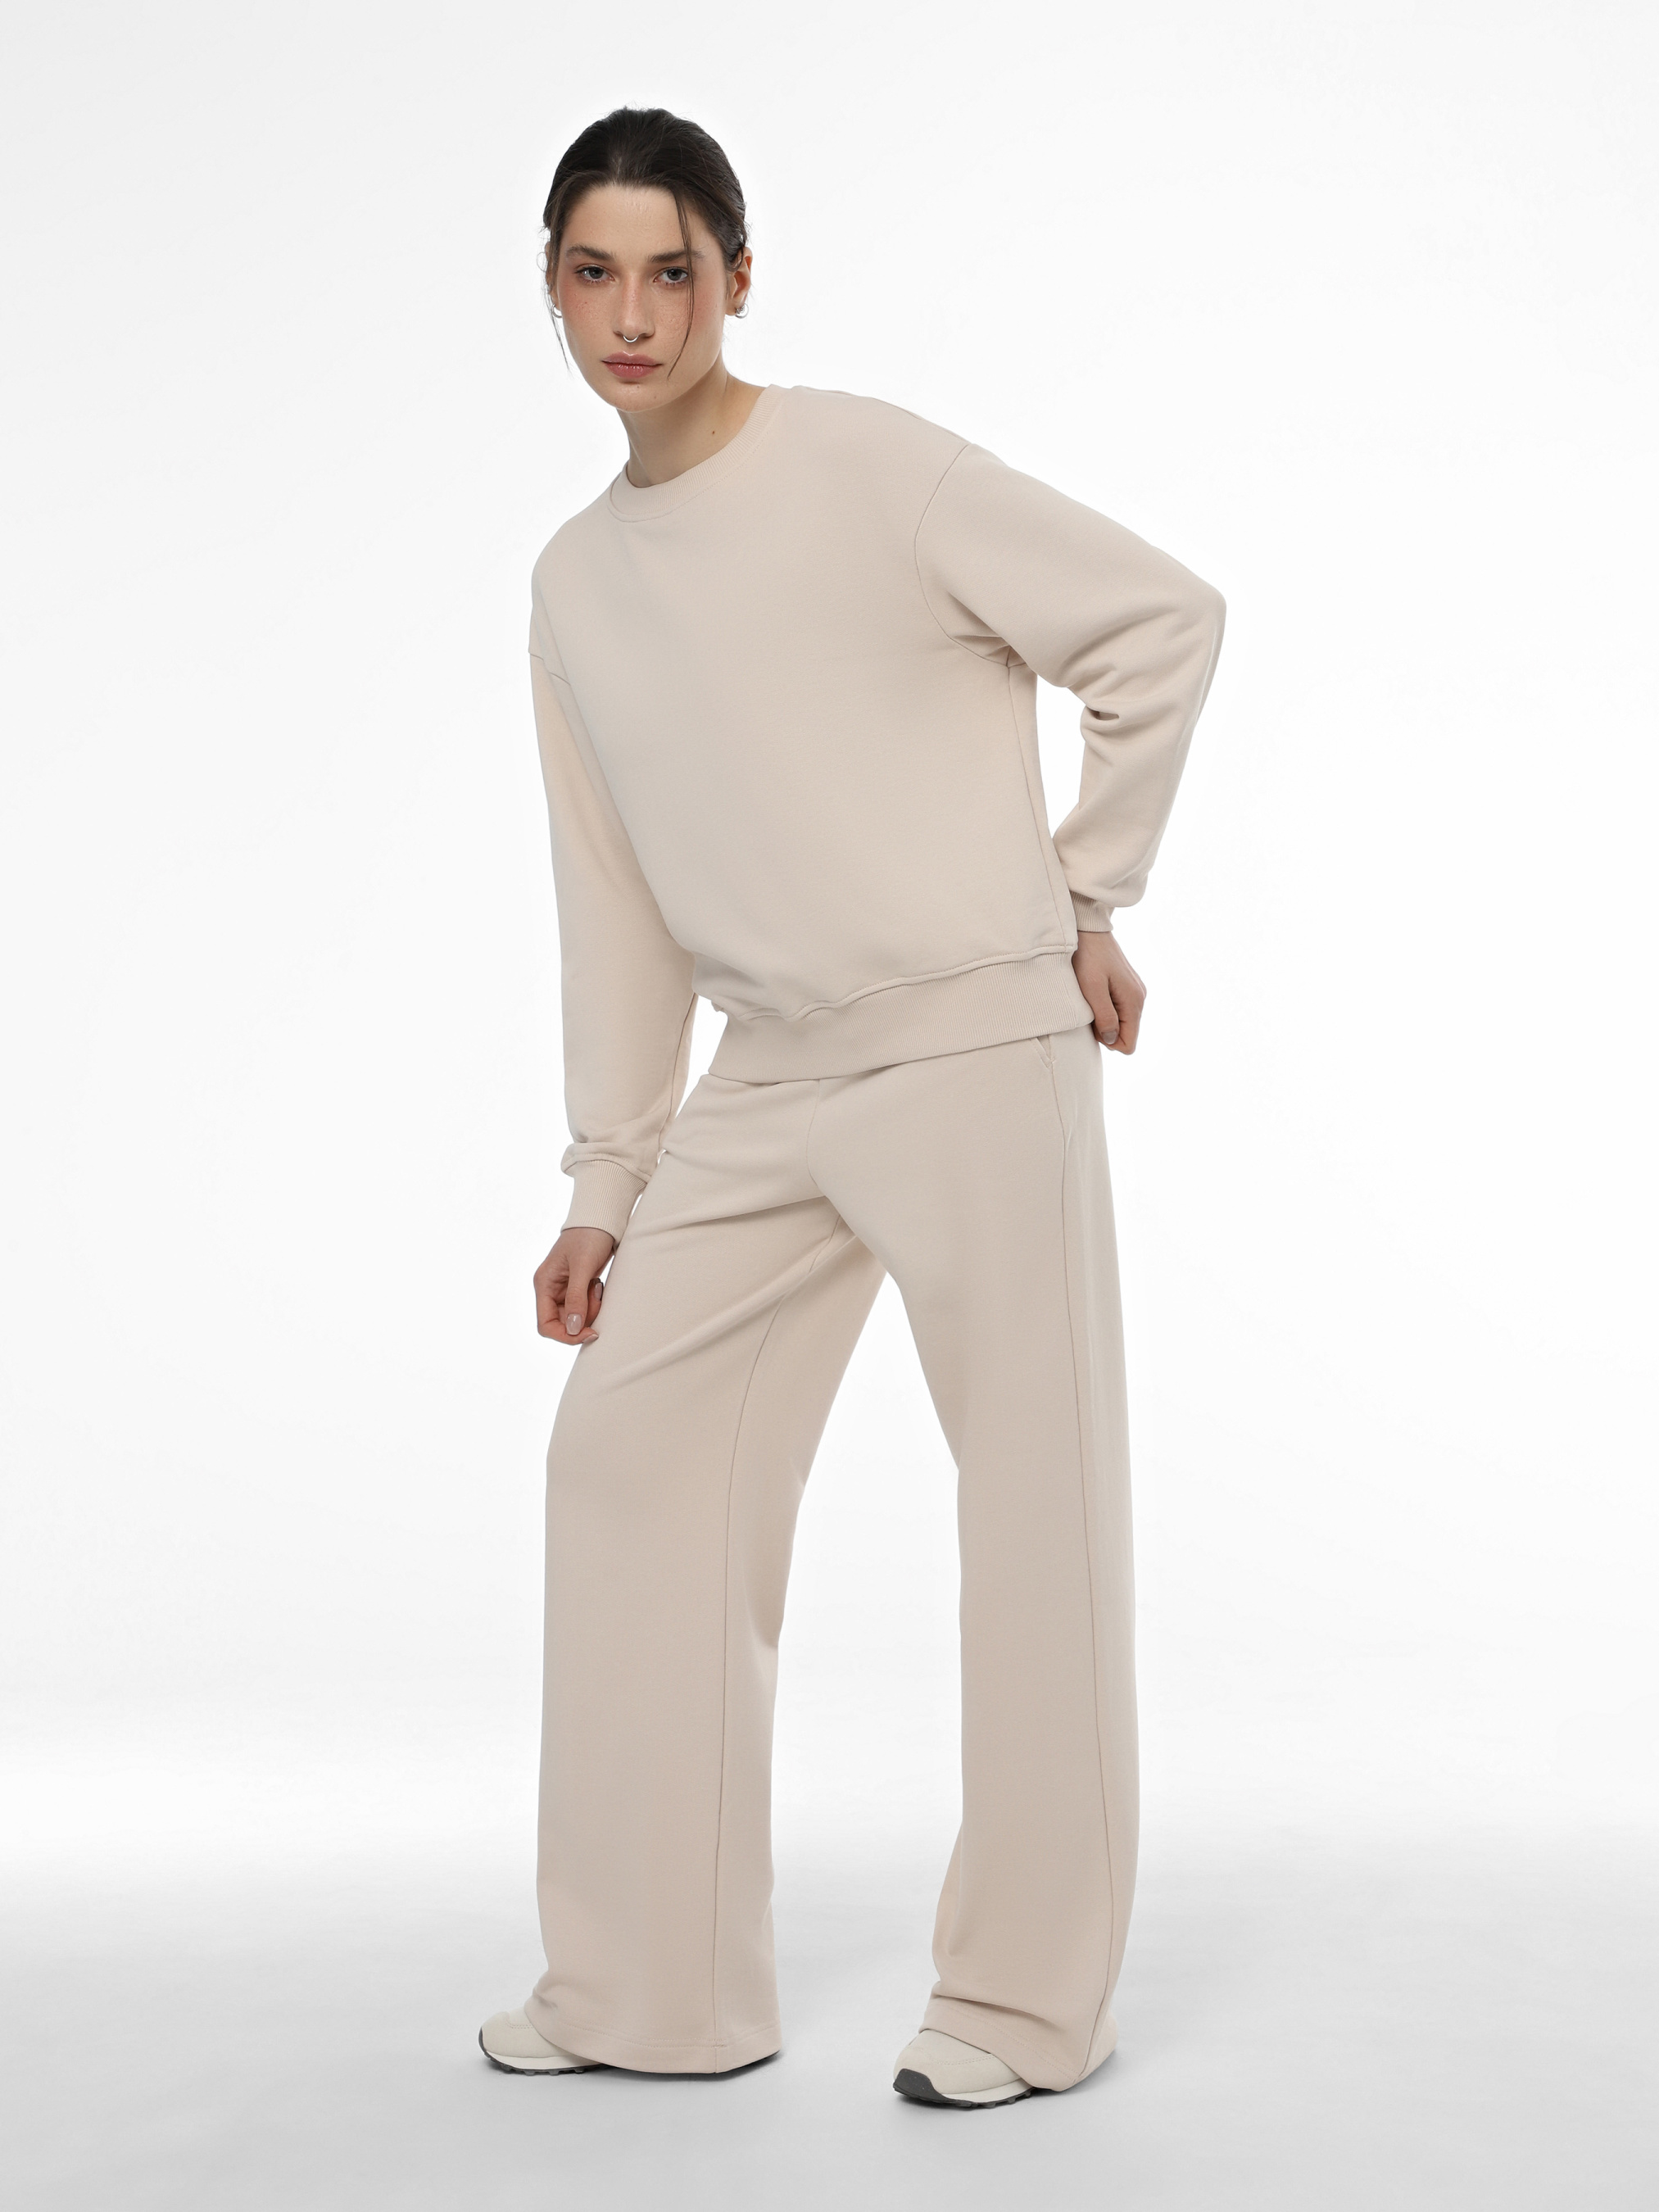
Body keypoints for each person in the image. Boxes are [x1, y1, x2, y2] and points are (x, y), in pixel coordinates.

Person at [478, 105, 1225, 2110]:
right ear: (549, 287)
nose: (631, 315)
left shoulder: (870, 469)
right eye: (590, 272)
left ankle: (1020, 2008)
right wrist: (609, 1183)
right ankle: (646, 1991)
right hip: (766, 1076)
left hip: (974, 1049)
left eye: (670, 270)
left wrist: (1082, 893)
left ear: (736, 277)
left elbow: (1157, 623)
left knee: (1035, 1515)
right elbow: (614, 902)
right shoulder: (572, 586)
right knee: (625, 1466)